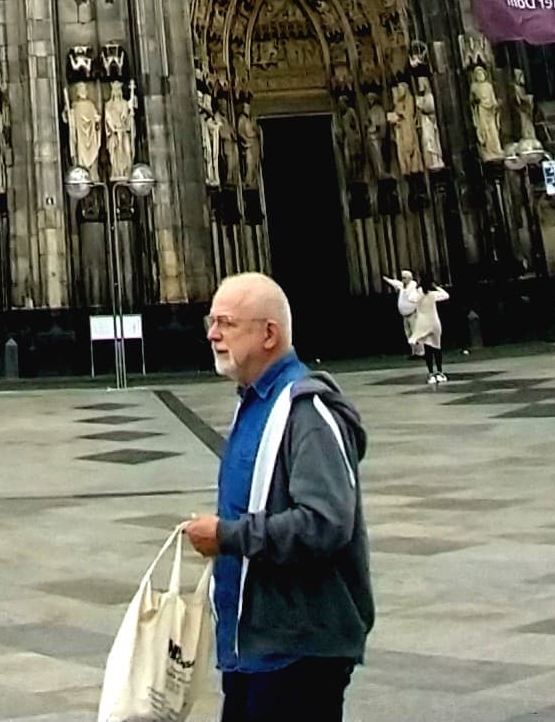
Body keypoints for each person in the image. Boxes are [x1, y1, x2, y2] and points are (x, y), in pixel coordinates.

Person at [179, 271, 374, 718]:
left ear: (269, 334)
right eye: (211, 321)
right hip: (252, 645)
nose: (212, 334)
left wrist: (227, 535)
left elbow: (325, 522)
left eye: (226, 323)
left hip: (297, 651)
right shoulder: (255, 403)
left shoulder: (307, 411)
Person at [385, 270, 448, 388]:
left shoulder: (418, 293)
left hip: (423, 322)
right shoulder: (432, 293)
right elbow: (446, 295)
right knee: (437, 347)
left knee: (428, 349)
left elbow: (411, 298)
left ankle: (431, 373)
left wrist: (416, 289)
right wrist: (436, 287)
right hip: (434, 322)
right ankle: (440, 372)